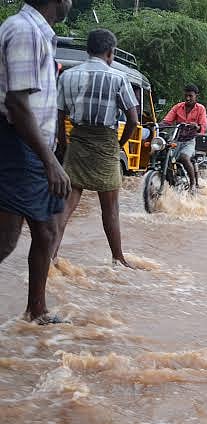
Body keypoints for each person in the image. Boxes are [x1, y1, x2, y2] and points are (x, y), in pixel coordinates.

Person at [0, 0, 73, 324]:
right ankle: (37, 310)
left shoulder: (39, 34)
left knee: (47, 230)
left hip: (33, 145)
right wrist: (51, 162)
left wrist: (54, 150)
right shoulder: (25, 31)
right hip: (18, 142)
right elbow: (16, 103)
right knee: (5, 240)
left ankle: (37, 311)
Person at [53, 28, 139, 269]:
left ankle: (50, 256)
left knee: (66, 206)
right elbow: (133, 120)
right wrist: (119, 145)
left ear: (87, 50)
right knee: (110, 208)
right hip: (106, 143)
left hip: (77, 141)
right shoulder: (118, 78)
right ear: (110, 53)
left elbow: (59, 115)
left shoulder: (67, 76)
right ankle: (118, 258)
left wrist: (63, 144)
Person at [160, 84, 207, 191]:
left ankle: (193, 185)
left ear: (196, 96)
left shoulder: (200, 109)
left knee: (184, 158)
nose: (187, 98)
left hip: (190, 141)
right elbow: (167, 121)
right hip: (176, 140)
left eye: (190, 96)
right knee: (164, 157)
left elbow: (203, 127)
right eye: (186, 96)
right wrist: (156, 126)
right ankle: (171, 182)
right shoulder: (178, 107)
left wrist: (197, 126)